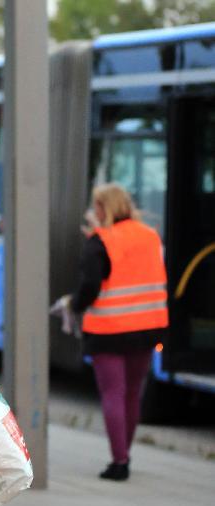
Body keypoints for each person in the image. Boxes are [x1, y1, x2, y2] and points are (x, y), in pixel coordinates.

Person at [62, 183, 168, 481]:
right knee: (133, 394)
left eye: (96, 206)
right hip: (147, 328)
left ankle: (119, 461)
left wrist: (74, 305)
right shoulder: (150, 236)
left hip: (109, 330)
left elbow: (89, 287)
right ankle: (125, 454)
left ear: (103, 208)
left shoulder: (100, 241)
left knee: (113, 394)